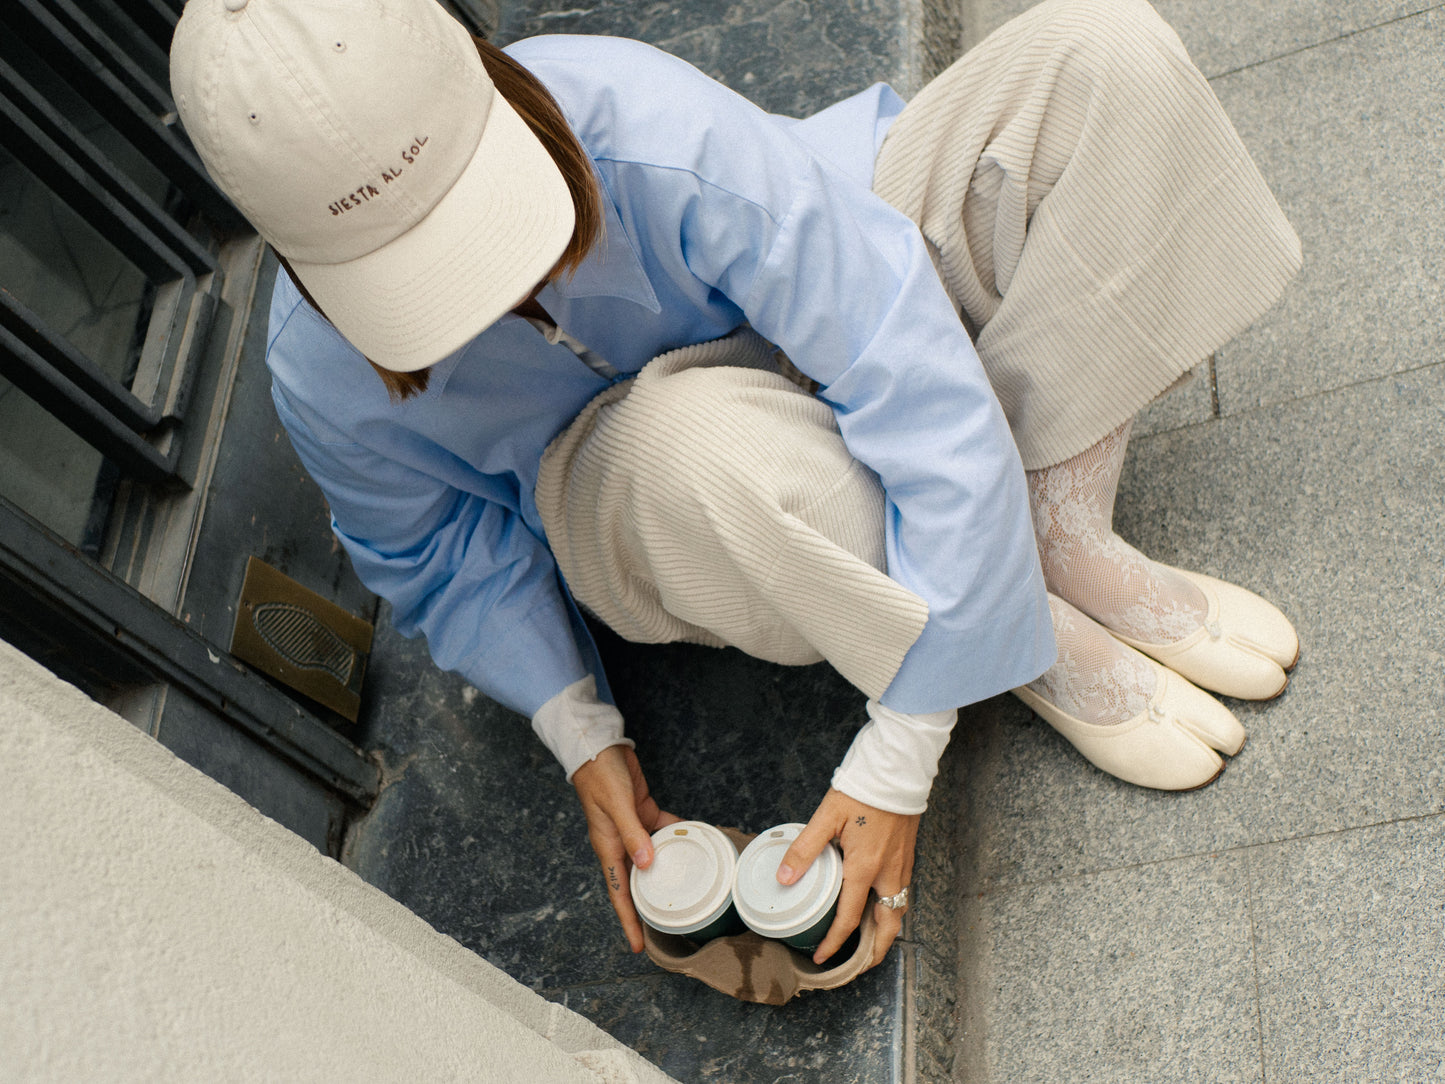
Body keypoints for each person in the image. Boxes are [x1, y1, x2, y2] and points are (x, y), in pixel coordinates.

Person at [169, 0, 1301, 971]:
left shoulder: (627, 111)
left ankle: (1053, 529)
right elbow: (435, 555)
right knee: (692, 448)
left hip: (794, 309)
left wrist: (899, 756)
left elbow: (884, 333)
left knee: (1103, 59)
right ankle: (1026, 635)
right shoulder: (318, 372)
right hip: (657, 486)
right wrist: (579, 730)